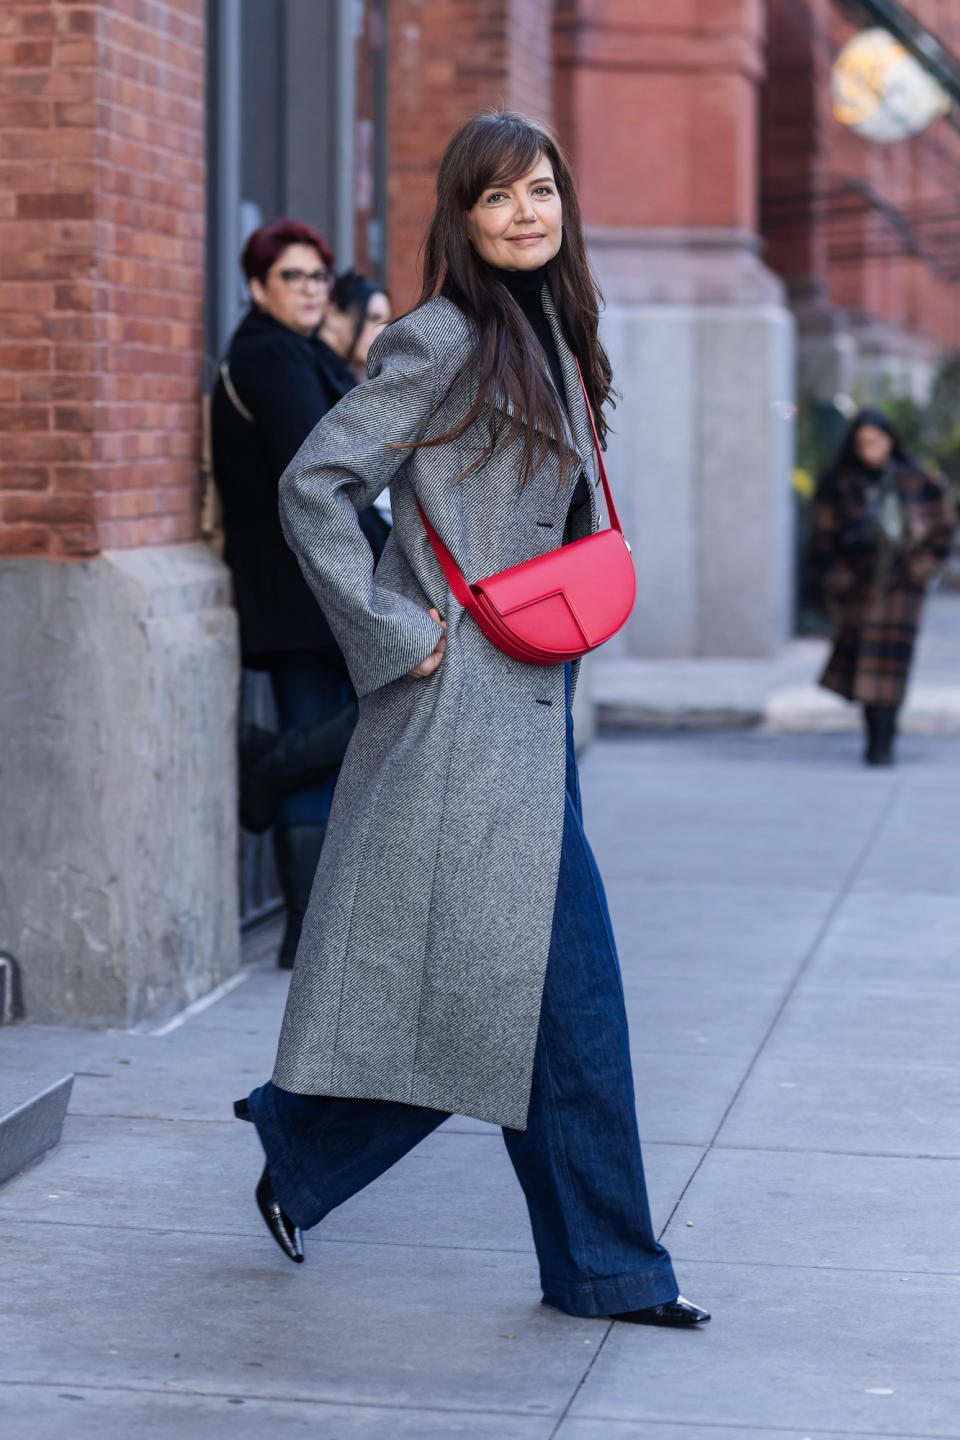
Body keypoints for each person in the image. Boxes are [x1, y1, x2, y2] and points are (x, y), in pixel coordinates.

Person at [233, 112, 708, 1329]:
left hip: (529, 701)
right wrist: (398, 634)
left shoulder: (552, 327)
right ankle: (592, 1259)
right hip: (459, 707)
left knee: (534, 997)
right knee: (558, 995)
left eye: (541, 191)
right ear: (462, 217)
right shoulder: (438, 338)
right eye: (496, 199)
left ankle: (580, 1256)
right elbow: (316, 483)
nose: (524, 215)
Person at [211, 220, 390, 966]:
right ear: (257, 288)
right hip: (301, 592)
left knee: (342, 738)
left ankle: (269, 760)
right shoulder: (271, 357)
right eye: (294, 277)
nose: (313, 290)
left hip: (317, 590)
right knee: (341, 733)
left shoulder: (301, 353)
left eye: (319, 277)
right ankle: (307, 936)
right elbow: (323, 480)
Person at [808, 408, 954, 765]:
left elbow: (942, 530)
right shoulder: (839, 483)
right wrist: (835, 576)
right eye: (863, 443)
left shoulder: (917, 481)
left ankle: (883, 743)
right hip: (859, 583)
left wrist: (922, 568)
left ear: (890, 440)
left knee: (890, 666)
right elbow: (820, 538)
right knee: (863, 665)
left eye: (876, 441)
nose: (870, 450)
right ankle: (876, 737)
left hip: (903, 586)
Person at [319, 269, 392, 381]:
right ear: (332, 315)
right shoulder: (302, 370)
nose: (382, 332)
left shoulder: (339, 377)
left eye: (386, 323)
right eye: (373, 318)